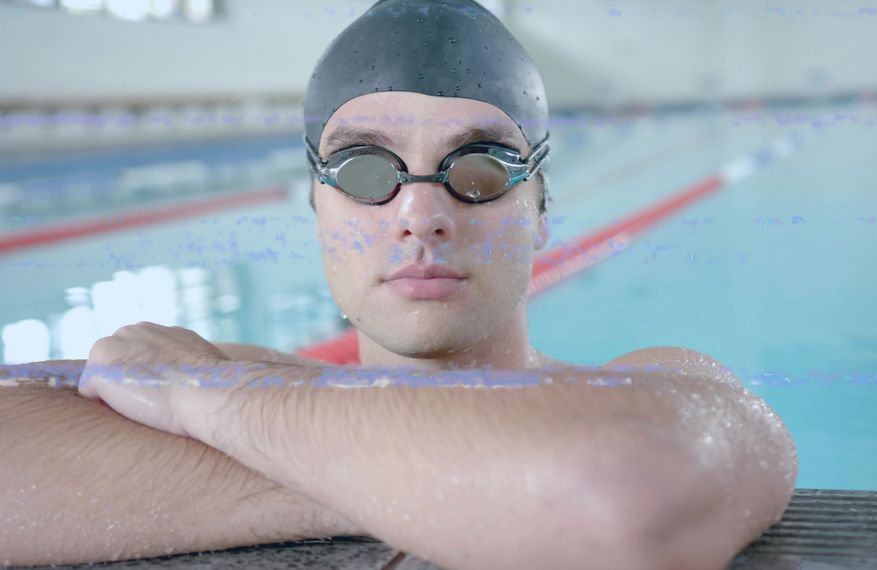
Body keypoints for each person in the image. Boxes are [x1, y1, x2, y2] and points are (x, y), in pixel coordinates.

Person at [0, 1, 797, 569]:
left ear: (542, 212)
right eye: (364, 168)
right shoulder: (251, 383)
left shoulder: (664, 382)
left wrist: (213, 404)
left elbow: (623, 496)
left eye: (480, 169)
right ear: (317, 207)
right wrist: (481, 477)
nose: (420, 213)